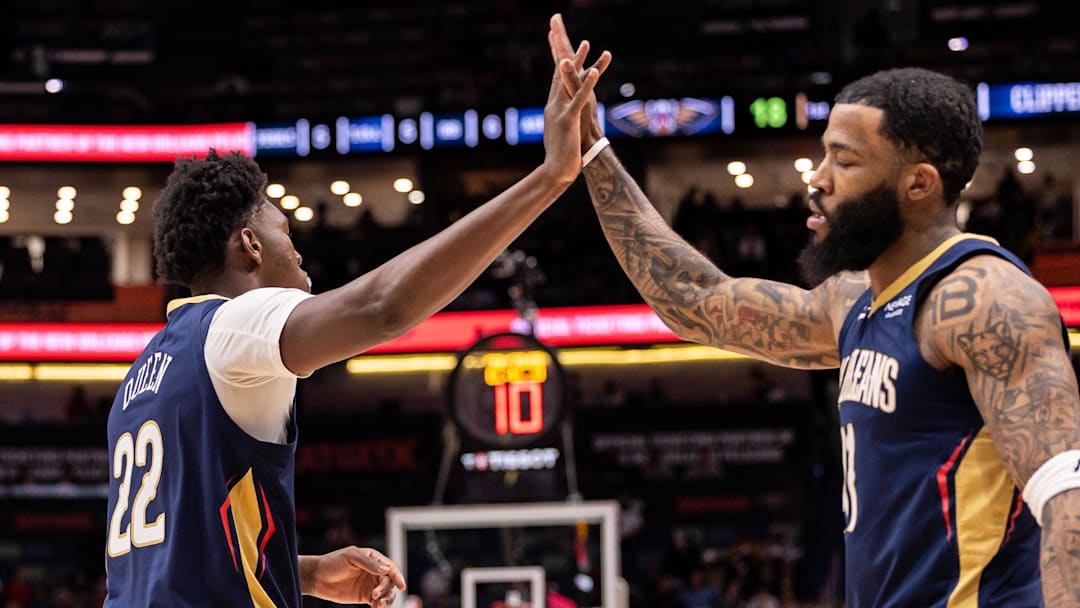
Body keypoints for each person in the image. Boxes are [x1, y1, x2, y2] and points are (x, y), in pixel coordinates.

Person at [548, 13, 1080, 607]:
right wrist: (592, 151)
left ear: (919, 183)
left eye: (845, 162)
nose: (817, 180)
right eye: (822, 157)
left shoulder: (987, 302)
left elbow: (1068, 501)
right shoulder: (853, 300)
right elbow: (695, 301)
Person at [103, 48, 607, 606]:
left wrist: (310, 573)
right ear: (248, 246)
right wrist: (551, 178)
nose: (298, 251)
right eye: (284, 230)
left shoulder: (144, 373)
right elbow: (384, 306)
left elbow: (176, 554)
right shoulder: (233, 324)